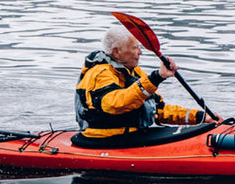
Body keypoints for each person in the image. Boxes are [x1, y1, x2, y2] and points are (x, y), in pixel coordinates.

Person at [76, 25, 205, 139]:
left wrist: (200, 117)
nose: (140, 52)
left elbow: (157, 110)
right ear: (117, 52)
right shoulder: (100, 73)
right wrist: (156, 77)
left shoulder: (134, 71)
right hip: (105, 140)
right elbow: (115, 104)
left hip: (133, 135)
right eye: (135, 47)